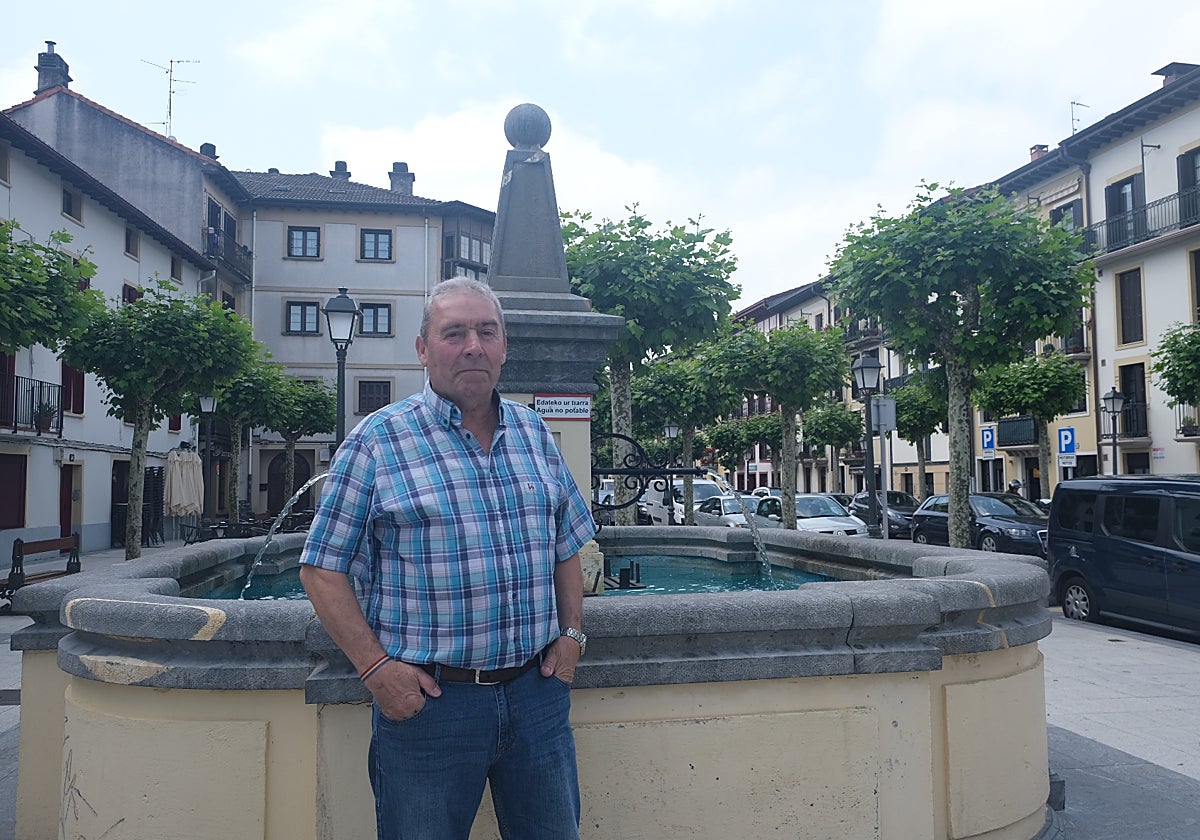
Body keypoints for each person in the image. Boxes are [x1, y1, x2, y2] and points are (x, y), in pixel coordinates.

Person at [299, 277, 595, 840]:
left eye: (487, 331)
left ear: (505, 345)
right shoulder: (378, 441)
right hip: (430, 708)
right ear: (423, 349)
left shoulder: (535, 434)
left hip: (537, 696)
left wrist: (572, 635)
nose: (473, 346)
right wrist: (375, 668)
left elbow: (567, 544)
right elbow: (321, 567)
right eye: (454, 332)